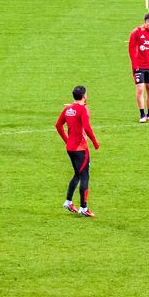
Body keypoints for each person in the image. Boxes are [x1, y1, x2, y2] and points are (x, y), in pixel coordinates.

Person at [55, 85, 98, 217]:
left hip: (70, 148)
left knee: (77, 174)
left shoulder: (68, 109)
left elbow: (58, 125)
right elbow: (87, 127)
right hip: (80, 148)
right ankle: (83, 208)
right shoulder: (82, 109)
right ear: (84, 95)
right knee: (84, 176)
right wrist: (94, 142)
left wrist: (66, 140)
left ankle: (68, 202)